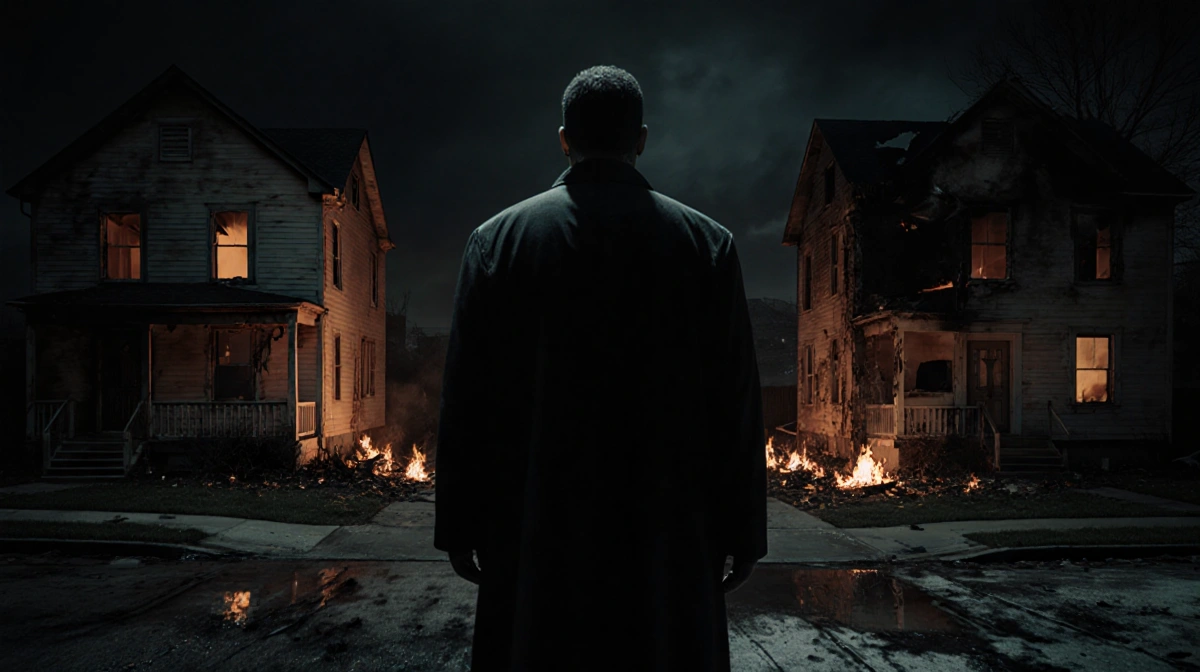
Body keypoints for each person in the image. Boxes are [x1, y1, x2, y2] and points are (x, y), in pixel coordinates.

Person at [434, 65, 767, 671]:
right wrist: (744, 533)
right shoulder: (707, 245)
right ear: (641, 139)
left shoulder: (496, 241)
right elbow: (736, 402)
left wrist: (458, 523)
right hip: (664, 532)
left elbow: (466, 399)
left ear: (564, 138)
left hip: (535, 529)